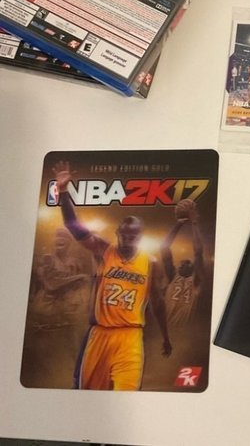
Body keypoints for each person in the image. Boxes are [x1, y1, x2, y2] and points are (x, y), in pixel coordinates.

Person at [53, 161, 171, 391]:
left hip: (130, 336)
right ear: (118, 233)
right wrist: (63, 191)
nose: (127, 240)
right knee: (87, 394)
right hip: (99, 334)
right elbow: (72, 225)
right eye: (124, 235)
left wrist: (165, 336)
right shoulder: (104, 250)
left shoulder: (150, 263)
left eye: (133, 236)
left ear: (140, 237)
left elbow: (157, 302)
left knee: (126, 392)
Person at [161, 199, 206, 328]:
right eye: (182, 263)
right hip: (166, 325)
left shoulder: (196, 280)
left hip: (184, 328)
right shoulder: (172, 276)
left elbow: (198, 252)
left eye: (187, 263)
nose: (184, 263)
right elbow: (164, 247)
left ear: (193, 268)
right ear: (177, 268)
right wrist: (178, 225)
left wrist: (195, 224)